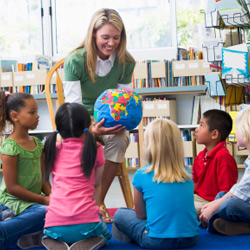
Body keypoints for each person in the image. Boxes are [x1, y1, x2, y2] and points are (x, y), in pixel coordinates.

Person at [63, 8, 136, 223]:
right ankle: (79, 203)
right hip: (79, 119)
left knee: (121, 138)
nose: (111, 43)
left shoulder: (126, 62)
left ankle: (96, 203)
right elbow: (73, 108)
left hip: (108, 117)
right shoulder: (75, 61)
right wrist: (91, 129)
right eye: (105, 37)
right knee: (77, 142)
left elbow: (125, 102)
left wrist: (120, 122)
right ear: (93, 34)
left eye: (116, 37)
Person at [112, 118, 199, 249]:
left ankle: (129, 241)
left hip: (156, 240)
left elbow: (140, 215)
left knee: (120, 214)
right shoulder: (188, 173)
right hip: (191, 238)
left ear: (149, 145)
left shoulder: (142, 174)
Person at [42, 102, 111, 250]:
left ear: (59, 129)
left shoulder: (52, 148)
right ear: (88, 126)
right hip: (86, 224)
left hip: (54, 224)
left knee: (50, 229)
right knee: (105, 232)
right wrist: (97, 208)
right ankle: (95, 239)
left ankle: (53, 239)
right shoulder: (96, 149)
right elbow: (97, 184)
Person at [0, 91, 51, 249]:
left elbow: (43, 180)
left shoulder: (37, 143)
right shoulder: (10, 146)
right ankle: (5, 232)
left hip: (32, 202)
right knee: (45, 212)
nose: (37, 116)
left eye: (36, 111)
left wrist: (54, 197)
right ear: (15, 116)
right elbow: (12, 188)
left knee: (57, 210)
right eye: (32, 112)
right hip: (13, 202)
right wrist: (43, 200)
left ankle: (20, 234)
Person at [200, 108, 250, 236]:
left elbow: (238, 194)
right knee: (222, 196)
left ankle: (212, 219)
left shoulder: (223, 156)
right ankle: (233, 224)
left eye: (238, 129)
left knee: (230, 203)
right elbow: (238, 190)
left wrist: (212, 207)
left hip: (241, 202)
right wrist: (214, 204)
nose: (236, 132)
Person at [193, 109, 238, 219]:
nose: (196, 130)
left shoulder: (223, 157)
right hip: (198, 199)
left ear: (214, 134)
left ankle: (216, 220)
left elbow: (226, 193)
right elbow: (194, 184)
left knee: (187, 210)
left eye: (201, 125)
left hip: (213, 202)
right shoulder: (200, 156)